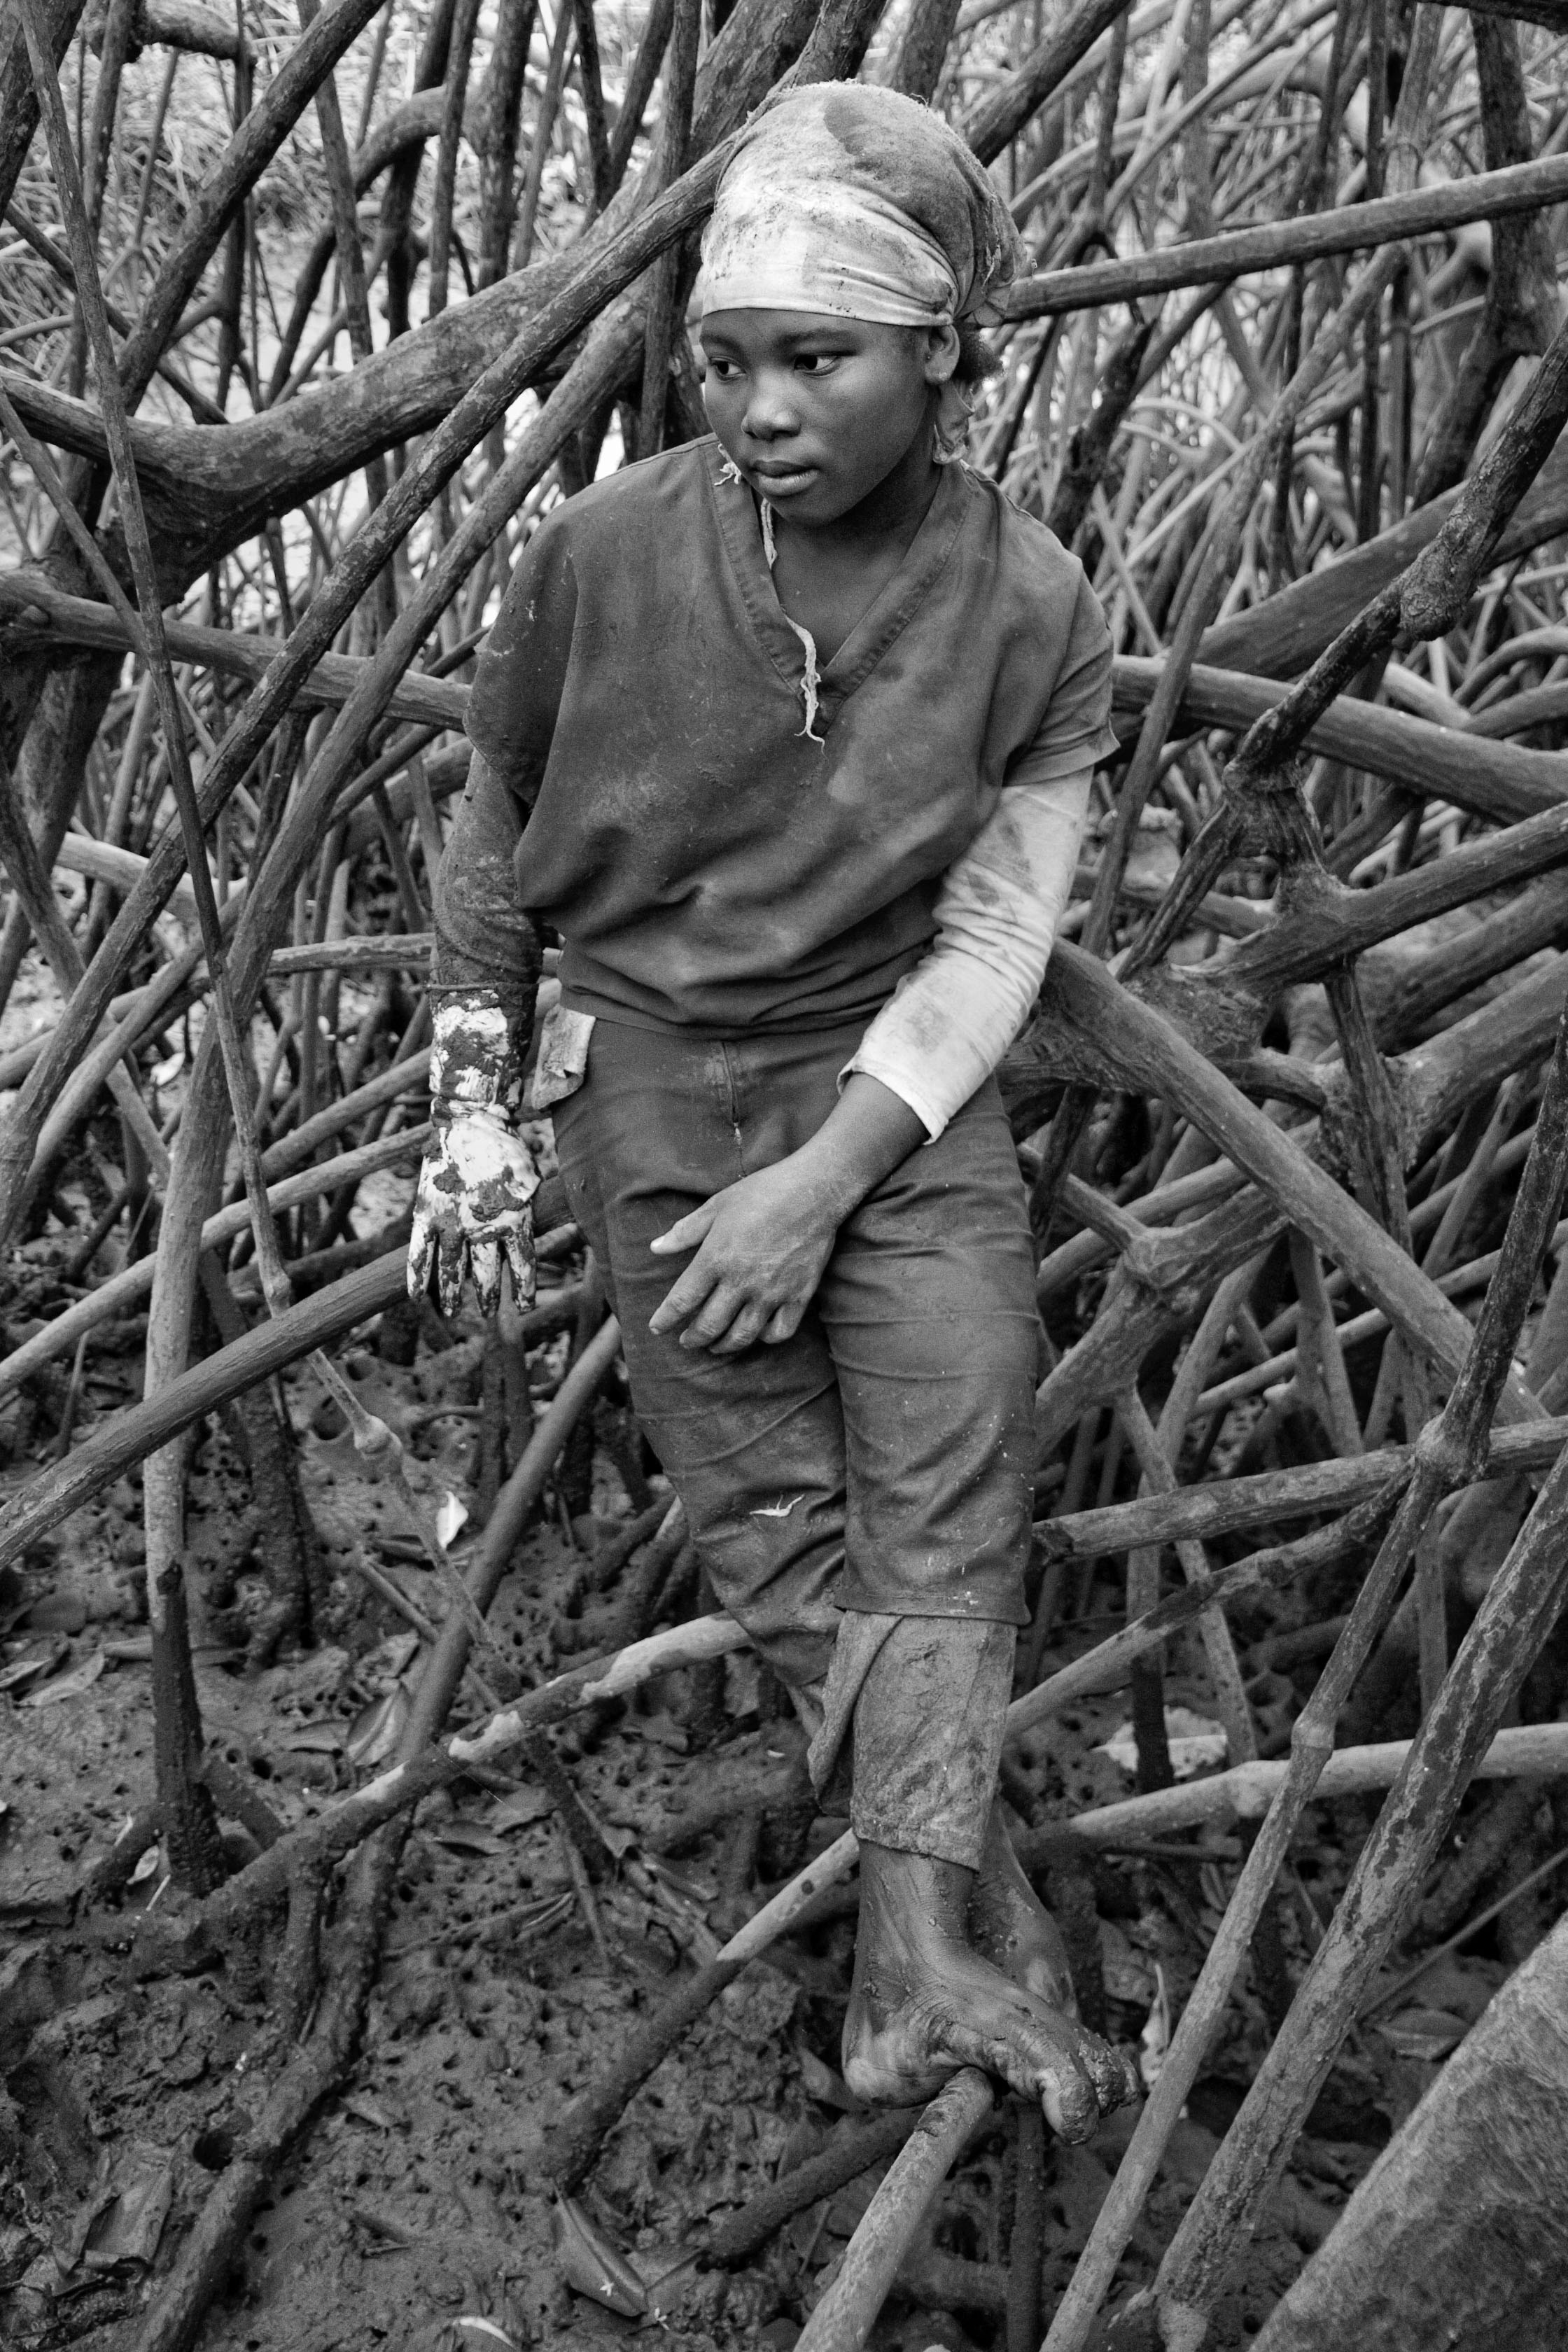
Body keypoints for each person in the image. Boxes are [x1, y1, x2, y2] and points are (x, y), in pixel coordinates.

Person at [409, 79, 1138, 2141]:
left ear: (943, 355)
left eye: (819, 361)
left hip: (885, 1075)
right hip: (647, 1059)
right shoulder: (606, 550)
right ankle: (941, 1920)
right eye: (727, 363)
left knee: (959, 1435)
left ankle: (914, 1960)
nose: (764, 409)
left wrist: (824, 1182)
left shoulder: (1040, 605)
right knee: (774, 1511)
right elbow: (496, 819)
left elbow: (998, 934)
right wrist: (468, 1118)